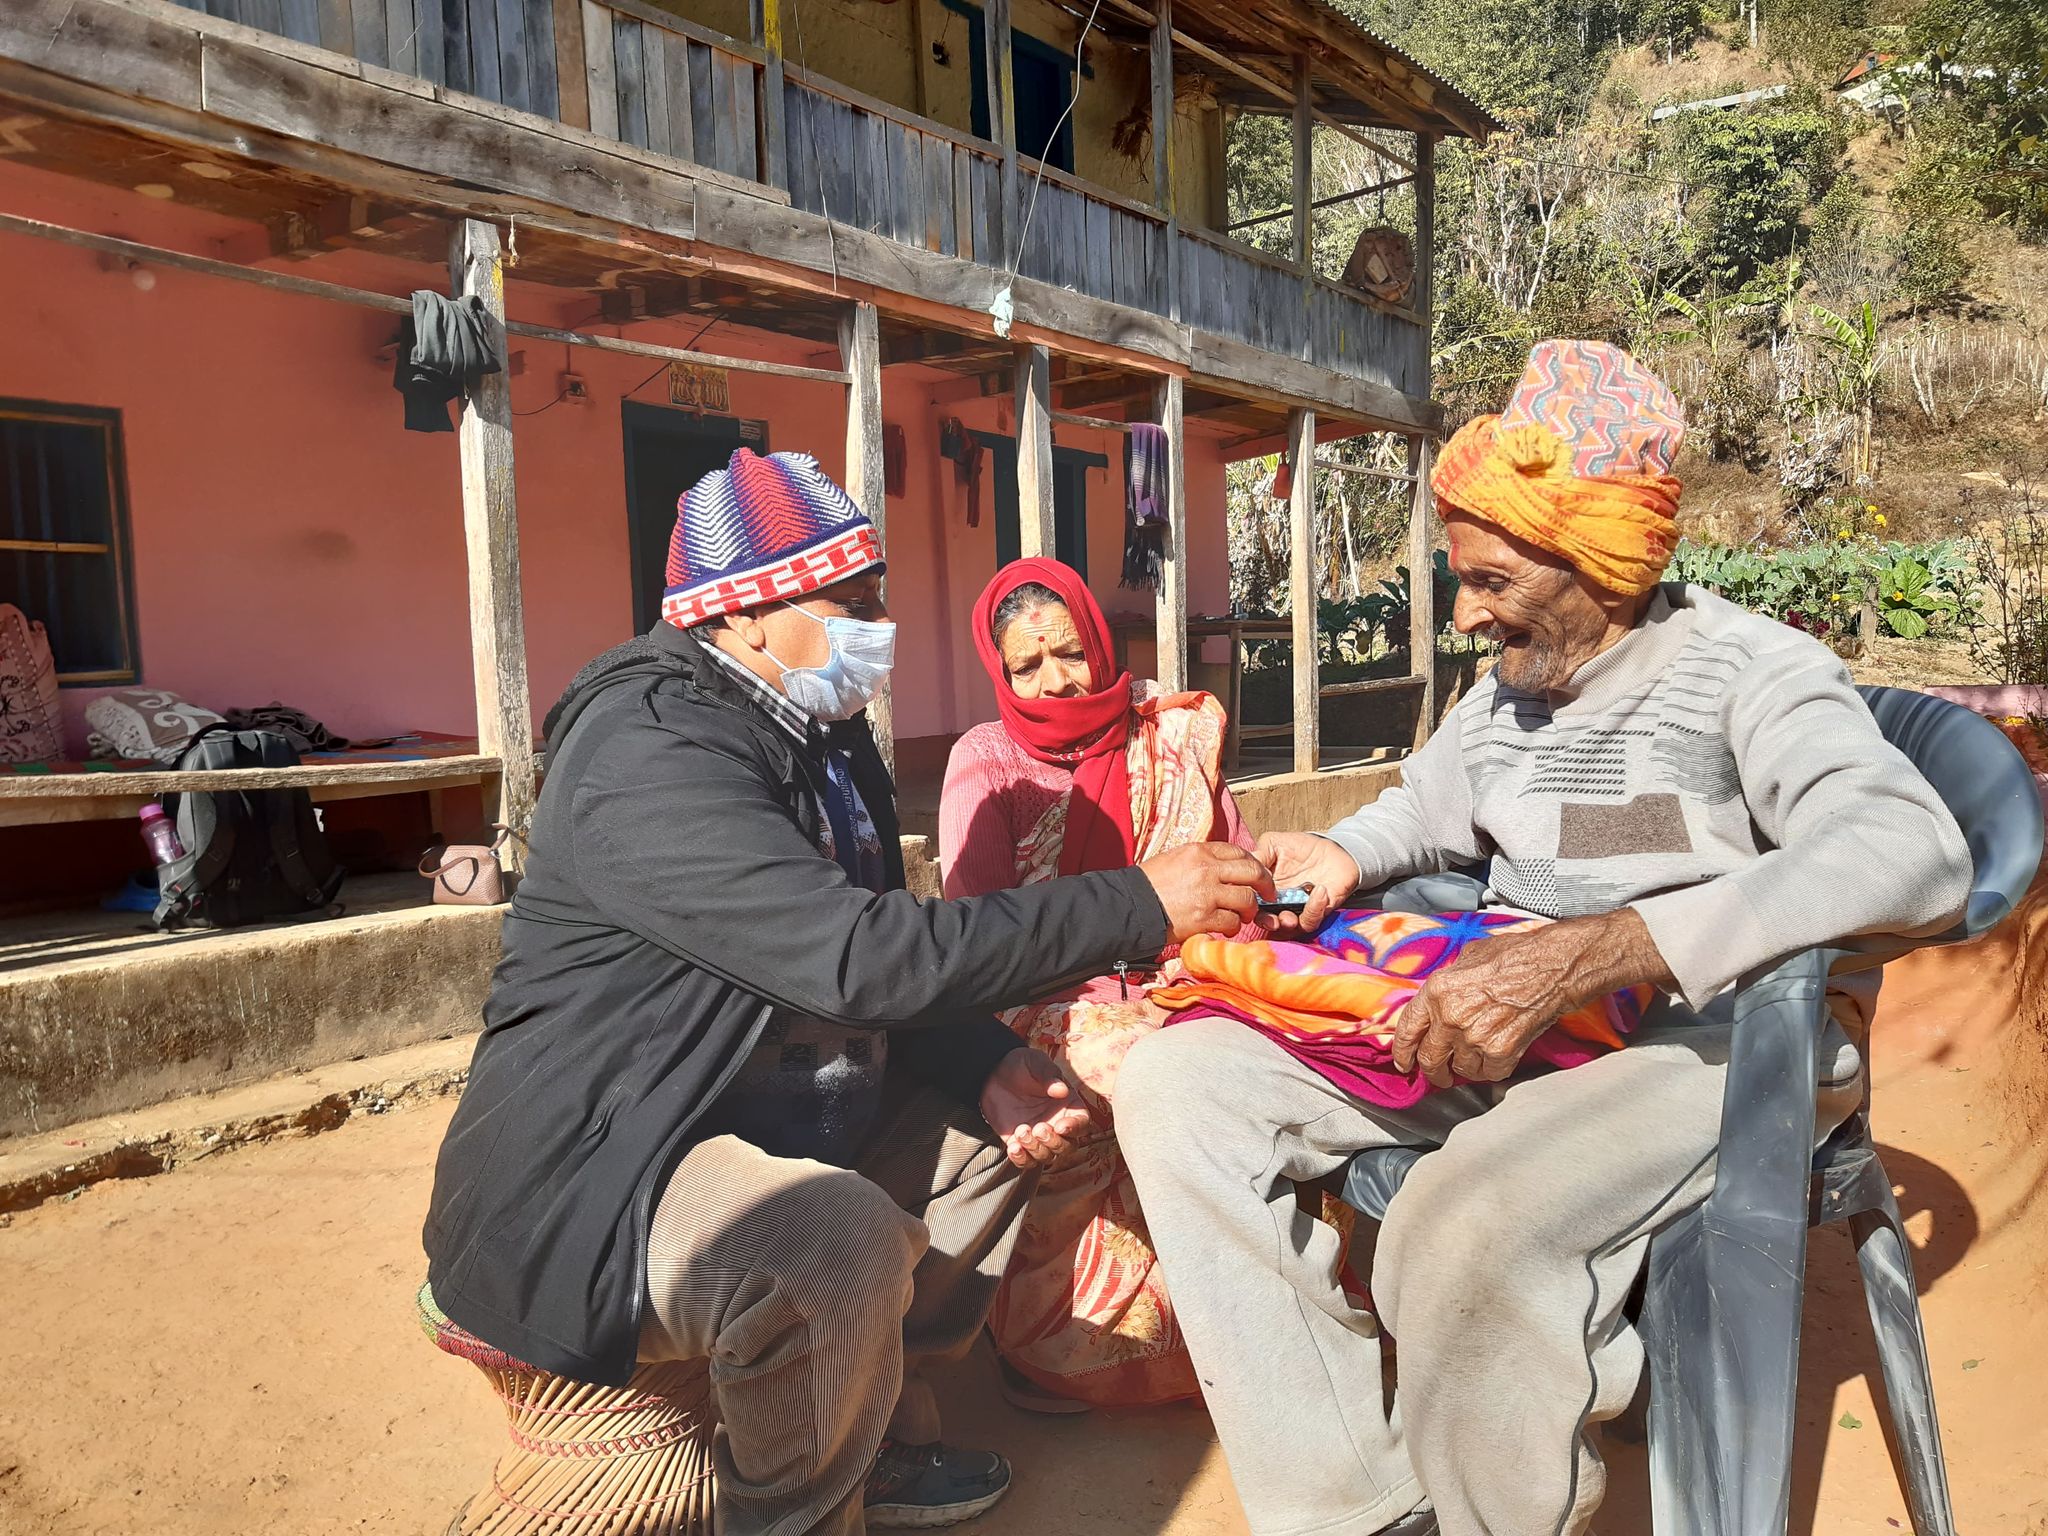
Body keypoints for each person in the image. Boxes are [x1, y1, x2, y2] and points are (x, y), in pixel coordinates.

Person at [1113, 341, 1975, 1536]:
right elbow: (1430, 803)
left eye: (1491, 579)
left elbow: (1911, 850)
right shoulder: (1507, 690)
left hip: (1710, 1045)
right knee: (1176, 1086)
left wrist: (1593, 950)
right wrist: (1346, 855)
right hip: (1504, 1024)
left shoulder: (1748, 673)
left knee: (1454, 1226)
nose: (1463, 610)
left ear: (1598, 566)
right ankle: (1359, 1505)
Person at [422, 449, 1272, 1536]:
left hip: (778, 1113)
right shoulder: (651, 751)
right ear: (746, 615)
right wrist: (1138, 904)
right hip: (609, 1165)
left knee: (1023, 1114)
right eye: (853, 601)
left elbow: (886, 973)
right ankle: (794, 1510)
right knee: (831, 1242)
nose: (880, 625)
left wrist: (993, 1069)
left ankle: (867, 1428)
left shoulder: (818, 737)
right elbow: (865, 956)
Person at [939, 557, 1283, 1411]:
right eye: (1027, 665)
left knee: (1284, 1043)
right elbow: (974, 939)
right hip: (1040, 994)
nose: (1054, 680)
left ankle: (1254, 1321)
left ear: (1098, 642)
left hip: (1181, 973)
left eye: (1068, 653)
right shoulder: (987, 762)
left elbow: (1230, 865)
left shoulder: (1167, 736)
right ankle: (1061, 1348)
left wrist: (1244, 943)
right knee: (1140, 1065)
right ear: (1001, 672)